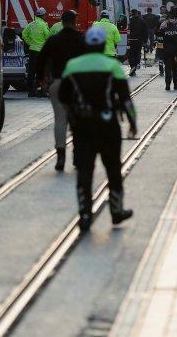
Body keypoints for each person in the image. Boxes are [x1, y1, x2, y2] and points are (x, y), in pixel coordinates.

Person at [59, 27, 137, 232]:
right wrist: (132, 123)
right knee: (113, 169)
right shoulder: (113, 66)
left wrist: (72, 118)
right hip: (108, 125)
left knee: (84, 170)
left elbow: (63, 97)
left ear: (86, 45)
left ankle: (85, 214)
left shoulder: (72, 66)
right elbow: (126, 99)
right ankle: (116, 211)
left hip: (82, 126)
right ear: (103, 45)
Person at [36, 10, 86, 171]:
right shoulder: (82, 40)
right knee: (77, 121)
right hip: (77, 85)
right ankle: (78, 157)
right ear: (75, 21)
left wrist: (42, 79)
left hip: (58, 84)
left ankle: (60, 157)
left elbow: (40, 60)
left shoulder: (53, 40)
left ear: (62, 22)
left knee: (60, 121)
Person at [21, 7, 51, 97]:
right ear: (43, 15)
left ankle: (31, 92)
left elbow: (24, 34)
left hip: (32, 50)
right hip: (41, 51)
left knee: (31, 71)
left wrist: (30, 43)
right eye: (45, 15)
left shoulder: (31, 24)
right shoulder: (43, 25)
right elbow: (48, 36)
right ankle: (42, 91)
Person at [157, 8, 177, 91]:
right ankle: (176, 85)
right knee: (175, 69)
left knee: (167, 69)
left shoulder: (163, 30)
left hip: (166, 53)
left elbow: (159, 40)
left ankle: (167, 85)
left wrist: (160, 52)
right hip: (176, 53)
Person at [128, 9, 148, 77]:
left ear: (132, 14)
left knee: (131, 54)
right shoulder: (142, 21)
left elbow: (127, 30)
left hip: (131, 40)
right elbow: (145, 32)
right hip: (139, 40)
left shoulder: (129, 21)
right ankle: (136, 65)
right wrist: (145, 41)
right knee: (137, 53)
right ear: (137, 13)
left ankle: (132, 66)